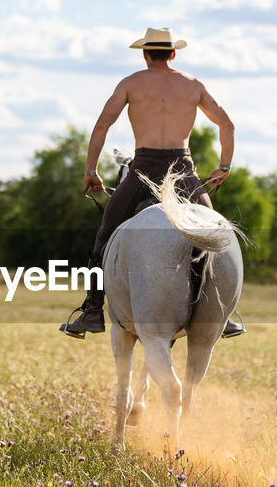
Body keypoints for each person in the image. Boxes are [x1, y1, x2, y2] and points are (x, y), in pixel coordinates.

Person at [60, 27, 245, 339]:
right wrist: (224, 166)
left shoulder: (131, 83)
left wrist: (91, 170)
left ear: (145, 54)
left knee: (104, 236)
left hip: (142, 170)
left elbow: (103, 124)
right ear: (173, 54)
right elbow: (226, 124)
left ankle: (92, 309)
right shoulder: (193, 85)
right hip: (184, 170)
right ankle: (222, 313)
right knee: (217, 236)